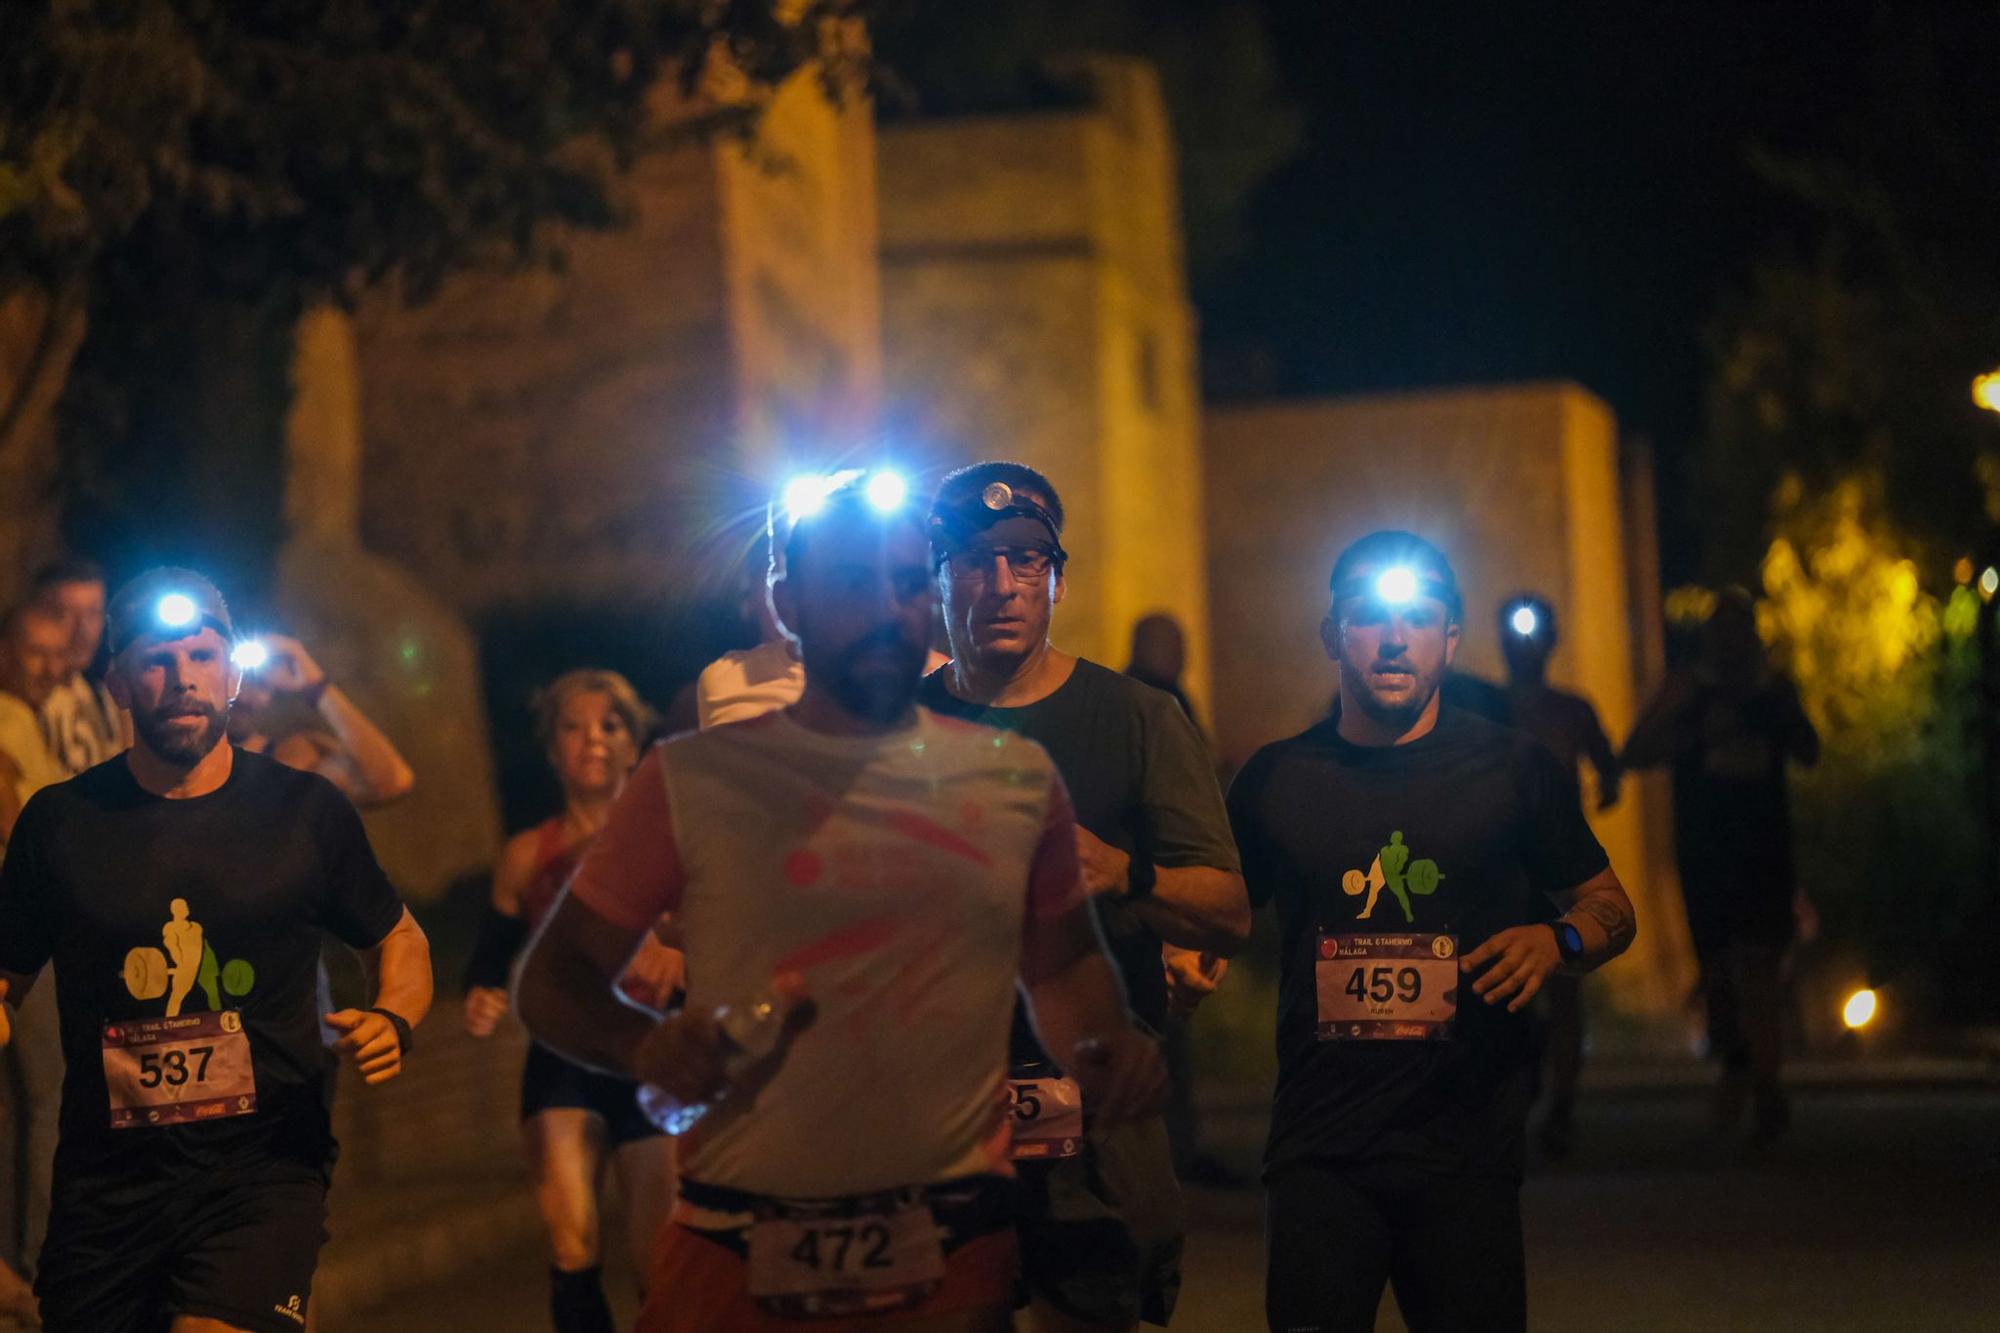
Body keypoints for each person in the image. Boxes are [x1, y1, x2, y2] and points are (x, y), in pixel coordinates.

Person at [515, 476, 1166, 1333]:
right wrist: (644, 1044)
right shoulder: (691, 782)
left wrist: (1106, 1043)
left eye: (905, 582)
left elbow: (1066, 969)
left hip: (947, 1245)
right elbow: (554, 978)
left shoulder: (1013, 781)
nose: (888, 609)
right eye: (855, 582)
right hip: (741, 1237)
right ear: (787, 603)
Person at [0, 567, 433, 1333]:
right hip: (106, 1189)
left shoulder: (305, 809)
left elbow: (396, 934)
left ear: (233, 677)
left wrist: (394, 1013)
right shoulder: (60, 824)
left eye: (204, 657)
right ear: (119, 686)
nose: (184, 679)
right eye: (158, 661)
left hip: (263, 1171)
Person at [1226, 532, 1636, 1333]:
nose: (1392, 636)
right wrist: (1181, 952)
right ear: (1332, 634)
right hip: (1320, 1149)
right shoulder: (1277, 778)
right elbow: (1219, 913)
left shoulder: (1516, 769)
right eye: (1368, 616)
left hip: (1467, 1155)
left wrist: (1559, 942)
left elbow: (1610, 905)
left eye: (1417, 617)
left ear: (1449, 639)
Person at [920, 463, 1251, 1332]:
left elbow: (1226, 907)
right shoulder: (887, 725)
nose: (1002, 585)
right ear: (936, 575)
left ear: (1059, 580)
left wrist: (1126, 874)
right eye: (974, 559)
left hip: (1094, 1112)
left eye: (1028, 561)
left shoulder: (1138, 718)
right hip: (935, 1116)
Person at [462, 670, 679, 1333]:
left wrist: (682, 954)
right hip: (562, 1059)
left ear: (636, 745)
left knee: (658, 1264)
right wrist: (483, 990)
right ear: (552, 749)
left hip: (651, 1056)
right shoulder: (528, 854)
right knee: (572, 1243)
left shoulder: (673, 837)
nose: (593, 739)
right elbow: (492, 951)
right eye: (574, 725)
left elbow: (724, 929)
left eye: (611, 725)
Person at [1622, 588, 1818, 1145]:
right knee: (1719, 970)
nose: (1731, 646)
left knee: (1760, 970)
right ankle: (1737, 1060)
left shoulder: (1773, 692)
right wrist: (1691, 728)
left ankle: (1765, 1084)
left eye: (1740, 633)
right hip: (1707, 849)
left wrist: (1778, 715)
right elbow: (1634, 751)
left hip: (1763, 848)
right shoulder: (1688, 690)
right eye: (1721, 634)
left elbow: (1809, 749)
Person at [1493, 595, 1622, 1159]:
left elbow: (1609, 769)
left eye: (1532, 636)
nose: (1523, 647)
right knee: (1506, 984)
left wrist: (1578, 805)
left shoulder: (1571, 710)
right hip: (1501, 865)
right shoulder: (1483, 706)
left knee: (1566, 984)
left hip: (1561, 869)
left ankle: (1561, 1103)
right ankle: (1516, 1092)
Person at [1121, 613, 1241, 1189]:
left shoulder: (1119, 696)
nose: (1183, 657)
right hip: (1160, 885)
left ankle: (1159, 1150)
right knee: (1164, 1024)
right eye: (1177, 646)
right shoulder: (1159, 701)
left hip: (1139, 886)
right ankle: (1170, 1154)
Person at [0, 602, 71, 1327]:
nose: (49, 666)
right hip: (24, 930)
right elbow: (14, 822)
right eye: (33, 651)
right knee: (51, 1097)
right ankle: (38, 1267)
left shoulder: (27, 714)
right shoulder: (3, 717)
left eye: (58, 652)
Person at [227, 634, 415, 810]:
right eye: (229, 676)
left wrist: (316, 685)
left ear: (272, 694)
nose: (242, 693)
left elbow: (393, 781)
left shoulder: (290, 759)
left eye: (259, 683)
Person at [27, 560, 129, 778]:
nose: (82, 630)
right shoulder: (22, 703)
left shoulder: (101, 696)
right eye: (64, 613)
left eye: (93, 613)